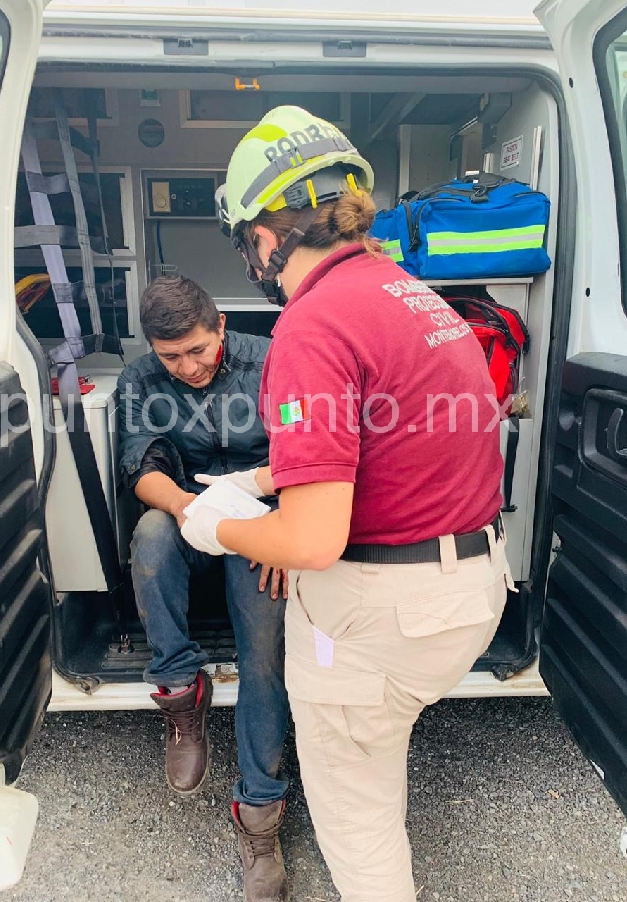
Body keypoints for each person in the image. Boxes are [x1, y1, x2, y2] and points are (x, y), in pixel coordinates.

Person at [181, 106, 513, 902]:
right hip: (469, 589)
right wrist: (261, 481)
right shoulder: (415, 297)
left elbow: (315, 539)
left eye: (246, 237)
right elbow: (394, 440)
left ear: (265, 231)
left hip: (379, 615)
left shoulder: (312, 323)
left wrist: (217, 526)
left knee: (360, 833)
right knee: (376, 757)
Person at [117, 275, 290, 902]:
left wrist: (283, 530)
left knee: (264, 657)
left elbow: (306, 454)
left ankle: (261, 818)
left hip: (261, 518)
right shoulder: (140, 379)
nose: (187, 367)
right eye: (171, 357)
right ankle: (183, 697)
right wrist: (195, 510)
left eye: (198, 349)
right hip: (191, 513)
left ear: (220, 327)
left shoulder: (273, 360)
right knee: (154, 534)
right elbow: (142, 466)